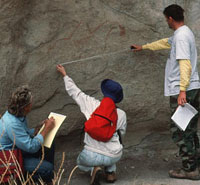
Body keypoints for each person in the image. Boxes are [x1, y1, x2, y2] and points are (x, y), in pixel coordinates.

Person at [131, 4, 200, 180]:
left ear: (170, 18)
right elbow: (164, 42)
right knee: (189, 129)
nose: (166, 22)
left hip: (184, 90)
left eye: (166, 19)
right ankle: (195, 165)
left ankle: (189, 169)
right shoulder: (182, 34)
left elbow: (185, 63)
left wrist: (182, 91)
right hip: (189, 88)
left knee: (181, 130)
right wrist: (144, 47)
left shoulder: (182, 37)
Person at [56, 64, 127, 185]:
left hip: (91, 156)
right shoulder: (121, 114)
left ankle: (94, 169)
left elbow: (76, 93)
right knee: (114, 143)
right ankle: (110, 173)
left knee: (79, 162)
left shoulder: (91, 104)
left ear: (104, 93)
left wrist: (65, 75)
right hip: (114, 155)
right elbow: (121, 136)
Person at [0, 85, 55, 184]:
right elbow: (31, 147)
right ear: (26, 107)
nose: (32, 104)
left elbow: (22, 133)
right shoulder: (12, 123)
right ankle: (40, 175)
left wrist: (36, 130)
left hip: (18, 149)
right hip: (10, 158)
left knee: (50, 142)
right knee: (48, 168)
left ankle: (46, 176)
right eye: (30, 103)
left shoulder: (17, 114)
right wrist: (45, 130)